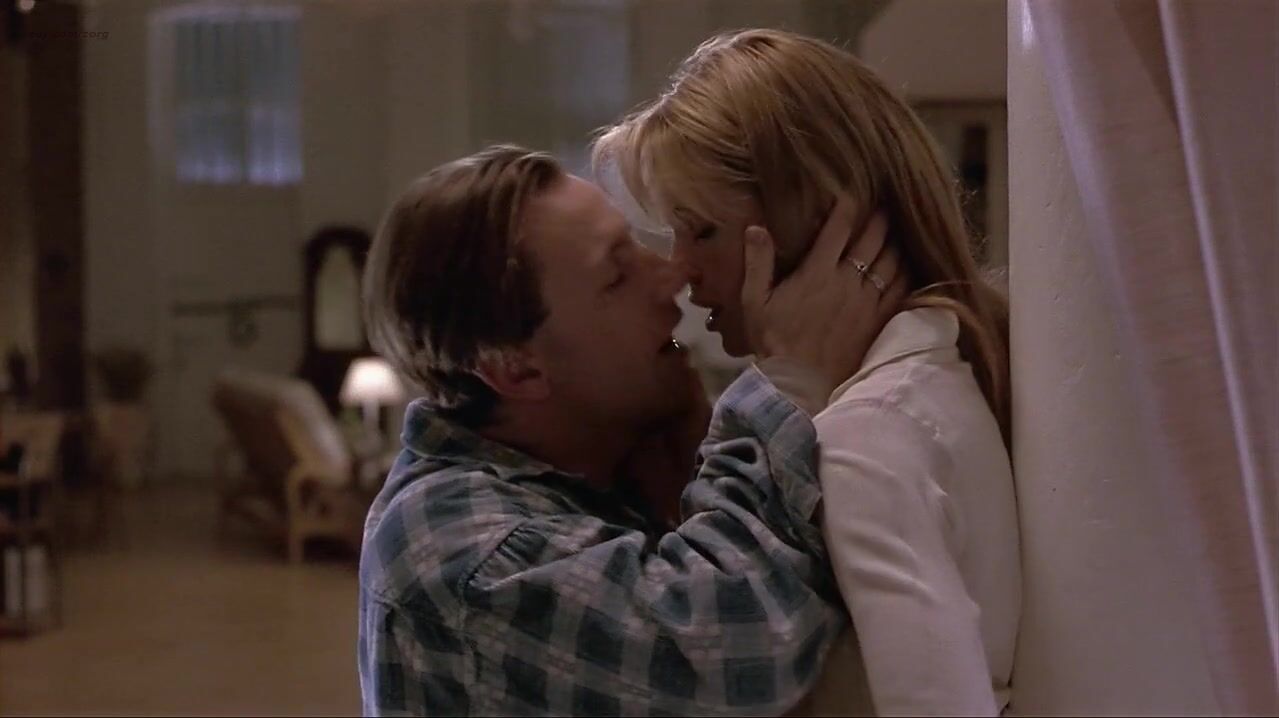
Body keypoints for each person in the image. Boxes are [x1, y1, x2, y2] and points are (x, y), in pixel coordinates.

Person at [356, 144, 906, 715]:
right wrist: (790, 377)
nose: (672, 275)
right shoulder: (461, 552)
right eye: (617, 275)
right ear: (516, 369)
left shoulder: (602, 461)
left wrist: (694, 463)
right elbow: (743, 648)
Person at [593, 28, 1021, 716]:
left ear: (815, 224)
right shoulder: (949, 369)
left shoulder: (861, 440)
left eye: (700, 229)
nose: (680, 268)